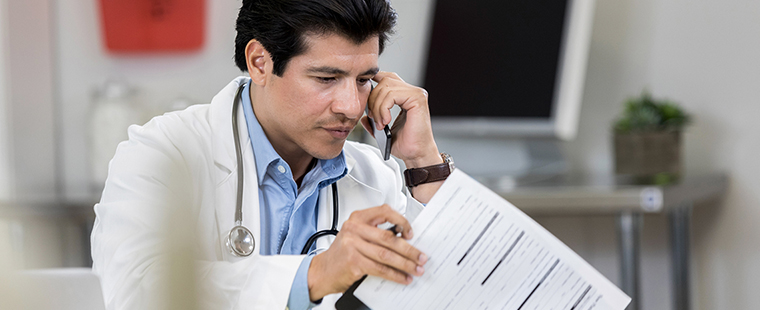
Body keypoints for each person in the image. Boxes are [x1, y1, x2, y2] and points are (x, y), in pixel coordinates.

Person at [91, 0, 452, 309]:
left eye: (363, 80)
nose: (351, 106)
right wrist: (316, 274)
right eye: (326, 79)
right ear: (260, 62)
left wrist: (423, 162)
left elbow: (453, 293)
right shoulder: (163, 153)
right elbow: (137, 290)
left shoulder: (375, 176)